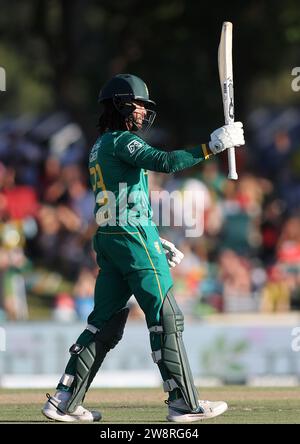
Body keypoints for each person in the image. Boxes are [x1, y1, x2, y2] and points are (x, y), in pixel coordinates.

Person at [42, 73, 245, 422]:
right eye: (137, 104)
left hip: (115, 238)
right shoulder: (121, 141)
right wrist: (213, 146)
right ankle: (183, 402)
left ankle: (64, 401)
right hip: (132, 239)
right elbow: (164, 163)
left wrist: (154, 236)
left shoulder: (100, 145)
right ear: (119, 105)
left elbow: (120, 199)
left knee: (103, 324)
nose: (142, 112)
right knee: (166, 316)